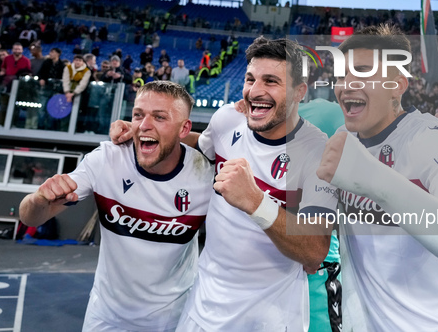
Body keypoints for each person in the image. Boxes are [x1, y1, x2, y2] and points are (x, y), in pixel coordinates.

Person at [112, 37, 336, 332]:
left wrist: (256, 202)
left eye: (271, 81)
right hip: (204, 306)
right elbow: (201, 146)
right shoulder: (227, 119)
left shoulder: (319, 152)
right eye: (250, 79)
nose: (255, 91)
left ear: (299, 92)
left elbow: (315, 251)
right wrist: (140, 131)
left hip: (272, 316)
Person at [315, 24, 438, 331]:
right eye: (341, 76)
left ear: (397, 84)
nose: (346, 85)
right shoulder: (345, 140)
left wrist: (373, 178)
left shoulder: (432, 139)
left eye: (362, 72)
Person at [19, 81, 214, 331]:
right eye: (138, 115)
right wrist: (38, 198)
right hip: (106, 315)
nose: (144, 125)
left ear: (184, 128)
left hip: (175, 317)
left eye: (160, 117)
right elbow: (30, 218)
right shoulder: (106, 159)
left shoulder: (206, 176)